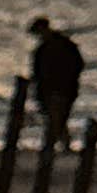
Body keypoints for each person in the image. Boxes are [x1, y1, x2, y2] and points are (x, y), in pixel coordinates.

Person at [28, 14, 86, 149]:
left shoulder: (61, 45)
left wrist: (65, 78)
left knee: (56, 119)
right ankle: (62, 145)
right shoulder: (47, 48)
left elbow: (78, 65)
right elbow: (37, 73)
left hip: (62, 89)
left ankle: (53, 146)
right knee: (57, 119)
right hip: (54, 90)